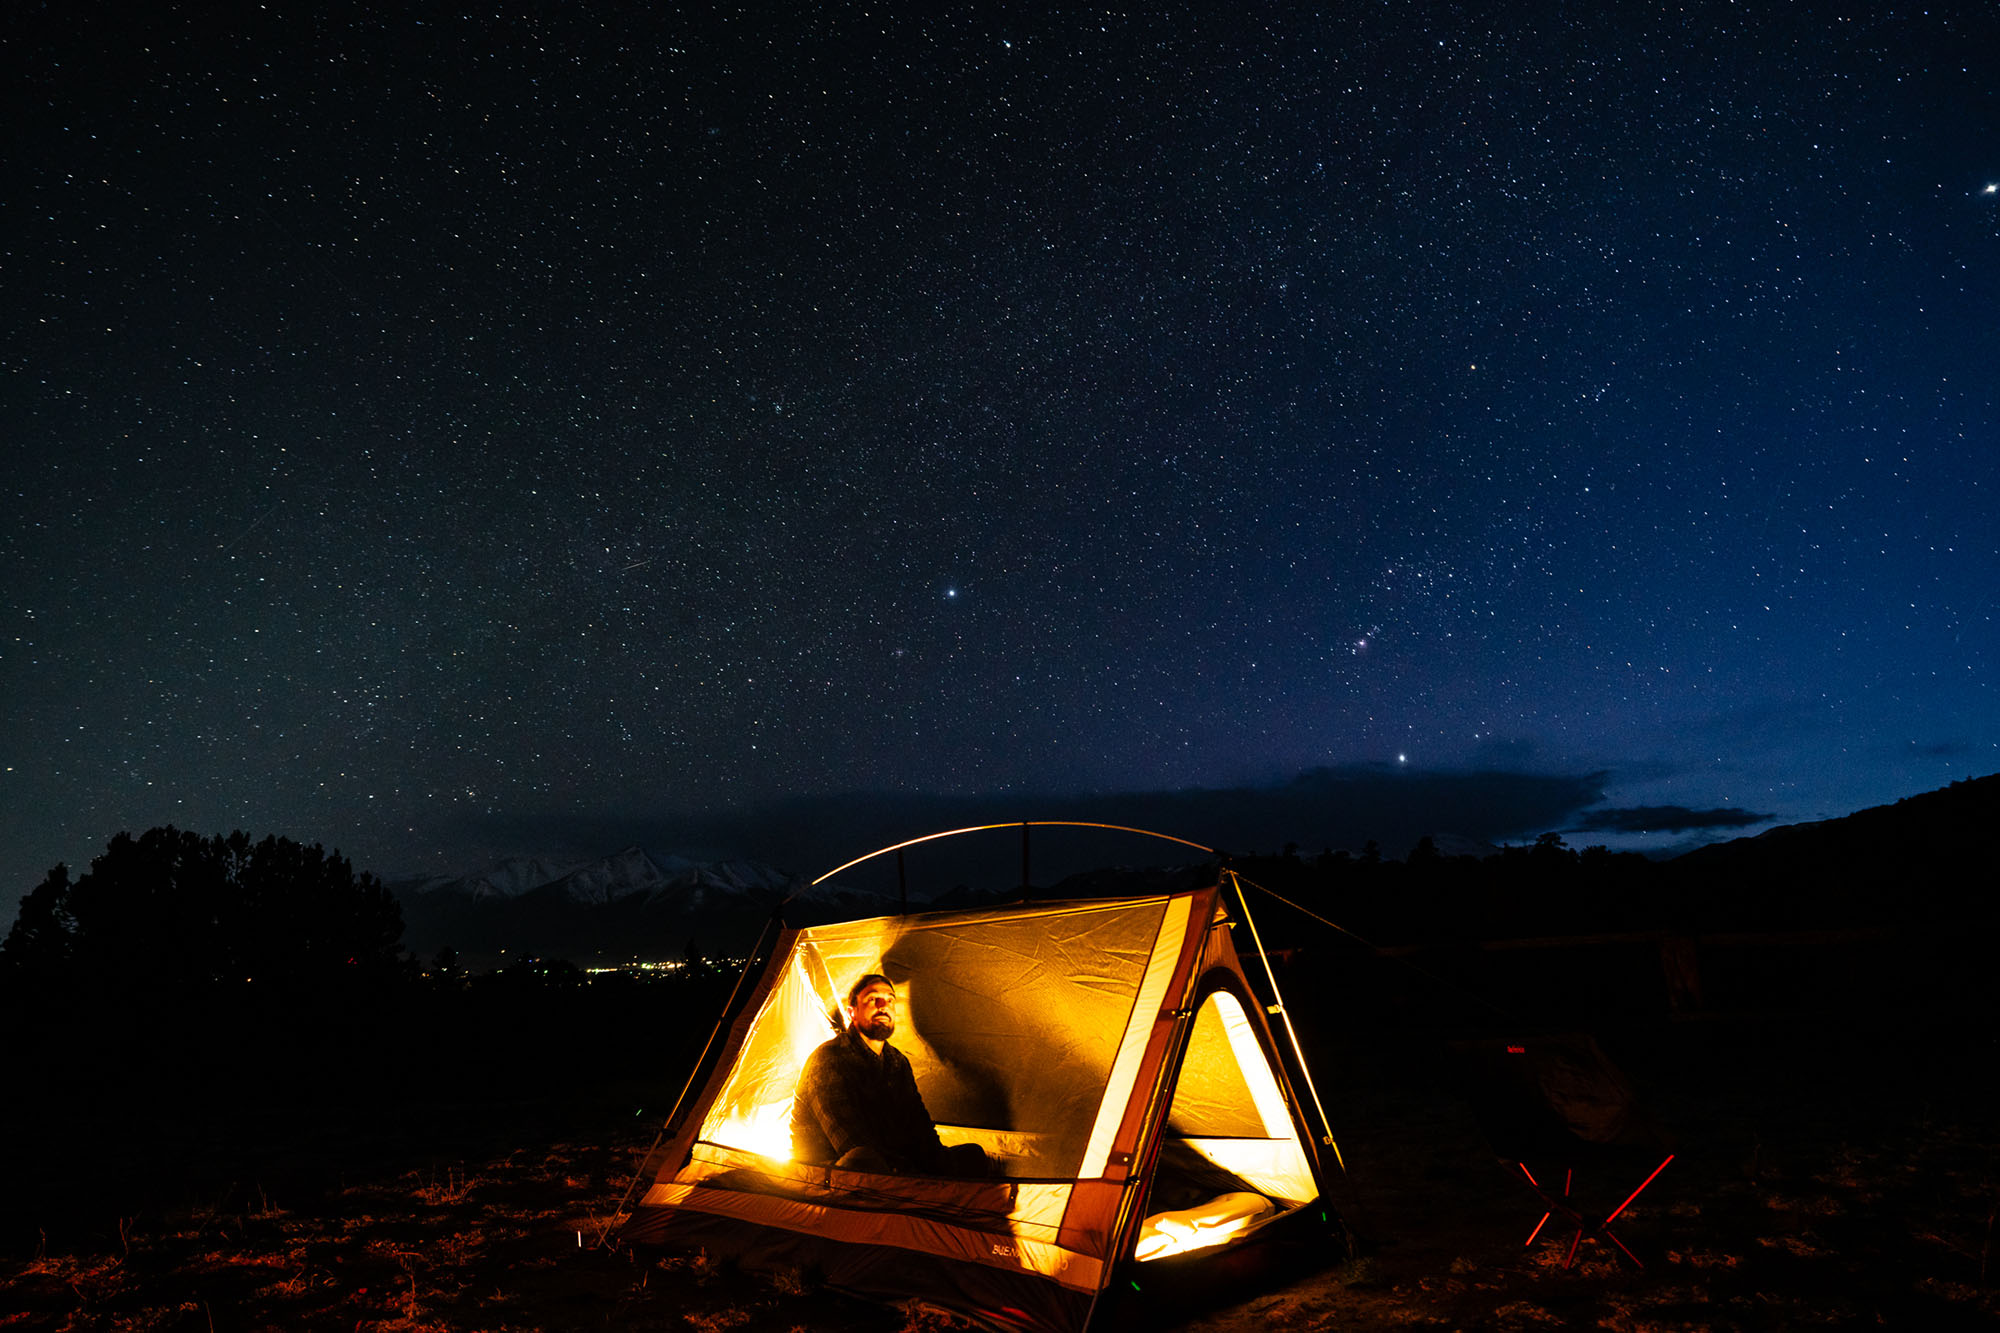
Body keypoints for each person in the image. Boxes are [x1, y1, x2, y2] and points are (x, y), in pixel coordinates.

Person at [790, 972, 989, 1176]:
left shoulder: (896, 1061)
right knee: (864, 1159)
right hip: (826, 1172)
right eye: (872, 999)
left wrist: (937, 1160)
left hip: (890, 1163)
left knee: (972, 1155)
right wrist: (908, 1169)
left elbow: (919, 1123)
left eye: (889, 1000)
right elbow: (849, 1141)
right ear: (852, 1013)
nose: (882, 1005)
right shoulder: (829, 1059)